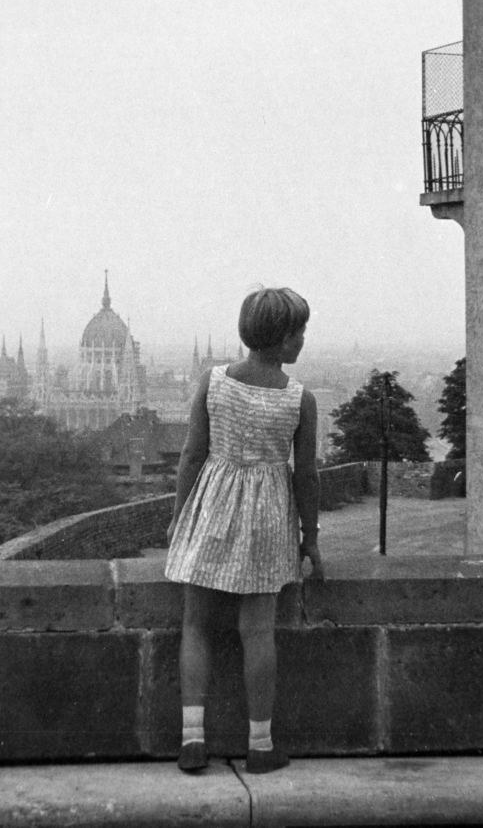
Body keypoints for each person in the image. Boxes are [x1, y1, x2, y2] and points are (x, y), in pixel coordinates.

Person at [165, 286, 325, 775]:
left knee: (195, 625)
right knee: (258, 633)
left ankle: (193, 740)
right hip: (269, 519)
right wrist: (310, 537)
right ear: (280, 338)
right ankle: (260, 745)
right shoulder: (301, 399)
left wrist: (178, 516)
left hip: (212, 508)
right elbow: (306, 474)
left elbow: (193, 455)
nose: (302, 340)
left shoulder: (212, 382)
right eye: (298, 332)